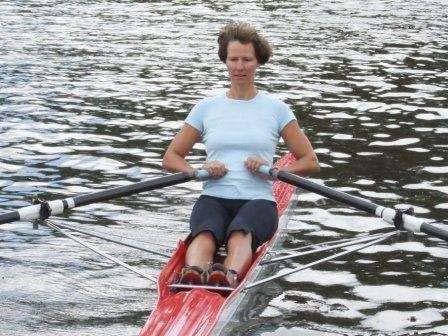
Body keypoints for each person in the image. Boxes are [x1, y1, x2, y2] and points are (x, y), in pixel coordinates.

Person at [162, 22, 319, 287]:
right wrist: (197, 169)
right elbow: (171, 157)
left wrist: (274, 172)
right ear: (225, 61)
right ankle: (191, 275)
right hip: (213, 196)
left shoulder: (276, 109)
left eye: (247, 59)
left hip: (257, 199)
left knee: (239, 233)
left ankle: (228, 277)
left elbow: (309, 162)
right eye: (233, 59)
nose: (239, 66)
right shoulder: (205, 108)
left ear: (258, 62)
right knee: (205, 234)